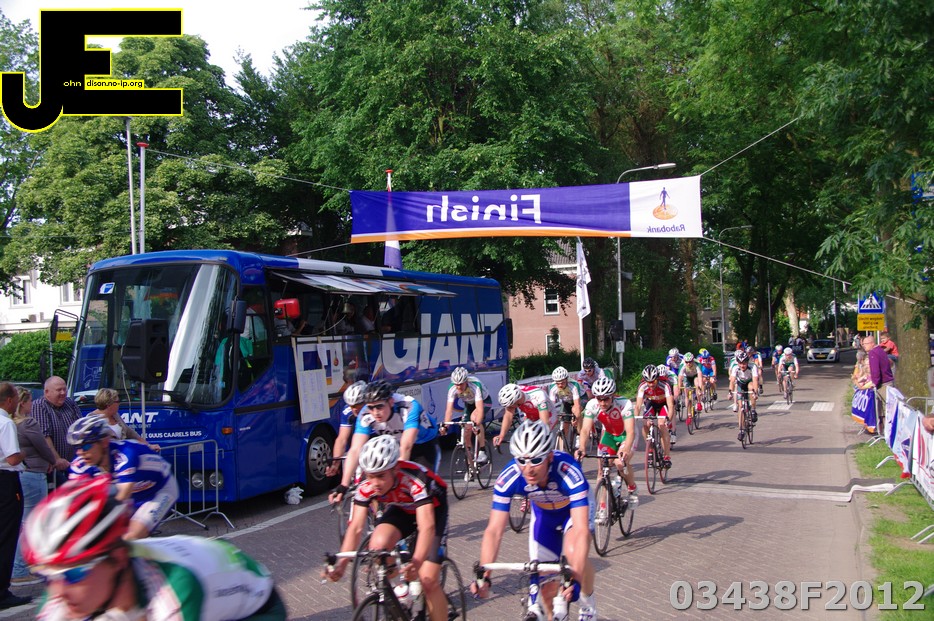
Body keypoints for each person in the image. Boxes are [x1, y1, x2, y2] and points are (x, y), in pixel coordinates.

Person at [23, 476, 284, 621]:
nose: (57, 591)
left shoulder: (175, 587)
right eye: (46, 576)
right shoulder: (61, 596)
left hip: (256, 601)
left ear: (118, 557)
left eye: (73, 573)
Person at [472, 420, 597, 621]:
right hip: (544, 516)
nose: (528, 468)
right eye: (521, 460)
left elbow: (581, 530)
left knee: (575, 555)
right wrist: (484, 575)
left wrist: (575, 578)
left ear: (549, 457)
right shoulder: (510, 477)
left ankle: (588, 604)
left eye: (536, 460)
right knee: (545, 586)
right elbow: (494, 530)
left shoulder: (568, 472)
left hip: (572, 513)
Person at [323, 435, 450, 621]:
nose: (375, 483)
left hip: (433, 512)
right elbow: (356, 527)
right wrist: (341, 565)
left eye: (381, 476)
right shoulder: (366, 485)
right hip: (402, 509)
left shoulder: (416, 479)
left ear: (395, 469)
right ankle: (401, 591)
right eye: (370, 476)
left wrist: (416, 563)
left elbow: (427, 527)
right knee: (377, 545)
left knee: (428, 579)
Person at [66, 415, 179, 540]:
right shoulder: (79, 464)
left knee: (131, 536)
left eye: (86, 446)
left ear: (104, 442)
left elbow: (121, 497)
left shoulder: (126, 454)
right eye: (77, 448)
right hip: (133, 493)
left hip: (159, 489)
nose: (80, 453)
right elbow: (75, 499)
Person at [330, 380, 440, 505]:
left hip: (424, 444)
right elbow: (355, 449)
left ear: (391, 402)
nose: (375, 412)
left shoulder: (408, 406)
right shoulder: (365, 413)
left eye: (379, 406)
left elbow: (406, 446)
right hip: (396, 442)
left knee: (424, 487)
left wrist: (396, 476)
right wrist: (343, 485)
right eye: (371, 407)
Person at [11, 387, 55, 586]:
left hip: (20, 474)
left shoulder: (10, 423)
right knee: (30, 523)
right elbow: (43, 447)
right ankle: (20, 569)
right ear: (23, 403)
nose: (32, 404)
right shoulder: (28, 423)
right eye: (30, 401)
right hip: (34, 473)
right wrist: (54, 460)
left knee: (21, 522)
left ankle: (19, 566)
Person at [576, 376, 638, 504]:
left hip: (625, 435)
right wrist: (581, 447)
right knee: (602, 470)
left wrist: (626, 449)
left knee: (620, 463)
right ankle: (602, 508)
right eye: (599, 399)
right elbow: (585, 430)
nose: (602, 403)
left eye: (606, 399)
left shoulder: (624, 404)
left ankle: (632, 487)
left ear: (613, 396)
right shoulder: (592, 405)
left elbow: (630, 432)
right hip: (609, 435)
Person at [0, 382, 31, 610]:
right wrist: (23, 453)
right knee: (7, 536)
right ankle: (2, 591)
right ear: (10, 400)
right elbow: (12, 458)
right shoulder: (6, 423)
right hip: (6, 483)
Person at [31, 376, 79, 487]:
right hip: (55, 467)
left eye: (64, 389)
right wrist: (56, 459)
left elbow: (80, 428)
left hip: (74, 463)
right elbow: (44, 436)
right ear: (47, 392)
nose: (63, 393)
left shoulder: (70, 403)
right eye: (59, 390)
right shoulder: (39, 406)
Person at [440, 367, 489, 465]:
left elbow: (479, 408)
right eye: (456, 384)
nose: (458, 387)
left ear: (466, 381)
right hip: (469, 403)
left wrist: (476, 425)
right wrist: (445, 426)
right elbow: (449, 410)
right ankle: (470, 463)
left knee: (474, 419)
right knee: (466, 429)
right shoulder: (452, 388)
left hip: (484, 402)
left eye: (461, 384)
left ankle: (482, 450)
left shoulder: (475, 385)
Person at [90, 388, 160, 451]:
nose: (119, 404)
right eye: (117, 402)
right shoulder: (92, 420)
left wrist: (148, 446)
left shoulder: (116, 415)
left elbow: (131, 433)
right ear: (109, 404)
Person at [633, 365, 674, 469]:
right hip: (651, 403)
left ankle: (667, 456)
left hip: (663, 404)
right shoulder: (642, 386)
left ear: (657, 379)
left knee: (661, 424)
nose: (651, 384)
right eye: (648, 382)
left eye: (653, 381)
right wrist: (634, 420)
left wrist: (668, 420)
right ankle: (650, 449)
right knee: (645, 423)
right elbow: (638, 406)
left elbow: (670, 405)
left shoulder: (665, 385)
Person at [493, 383, 555, 448]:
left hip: (549, 414)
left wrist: (544, 436)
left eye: (511, 405)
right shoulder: (514, 394)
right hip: (531, 414)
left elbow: (545, 421)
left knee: (542, 440)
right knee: (525, 439)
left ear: (517, 399)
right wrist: (501, 435)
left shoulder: (538, 396)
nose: (511, 408)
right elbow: (508, 416)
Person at [326, 381, 368, 478]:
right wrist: (335, 463)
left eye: (358, 405)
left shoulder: (374, 409)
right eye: (352, 406)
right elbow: (342, 439)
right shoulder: (347, 412)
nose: (355, 409)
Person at [548, 366, 584, 445]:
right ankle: (564, 446)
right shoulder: (552, 387)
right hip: (567, 401)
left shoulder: (574, 385)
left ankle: (579, 435)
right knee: (565, 422)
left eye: (563, 382)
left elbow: (577, 405)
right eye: (558, 383)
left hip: (581, 399)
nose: (560, 385)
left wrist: (576, 418)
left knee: (576, 411)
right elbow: (551, 405)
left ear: (567, 379)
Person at [729, 351, 759, 442]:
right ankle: (741, 430)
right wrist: (730, 392)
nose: (742, 365)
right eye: (740, 363)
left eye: (744, 363)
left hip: (750, 382)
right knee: (740, 407)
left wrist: (755, 392)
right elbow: (732, 381)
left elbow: (755, 380)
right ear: (738, 362)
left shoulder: (753, 366)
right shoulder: (735, 367)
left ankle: (753, 409)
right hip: (740, 384)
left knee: (751, 388)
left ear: (747, 362)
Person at [677, 352, 703, 423]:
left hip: (695, 376)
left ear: (693, 360)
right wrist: (679, 389)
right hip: (687, 377)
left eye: (690, 362)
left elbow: (700, 377)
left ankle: (699, 402)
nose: (688, 363)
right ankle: (689, 414)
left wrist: (700, 389)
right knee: (686, 394)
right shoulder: (682, 365)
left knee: (697, 383)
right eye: (687, 362)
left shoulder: (697, 364)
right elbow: (680, 378)